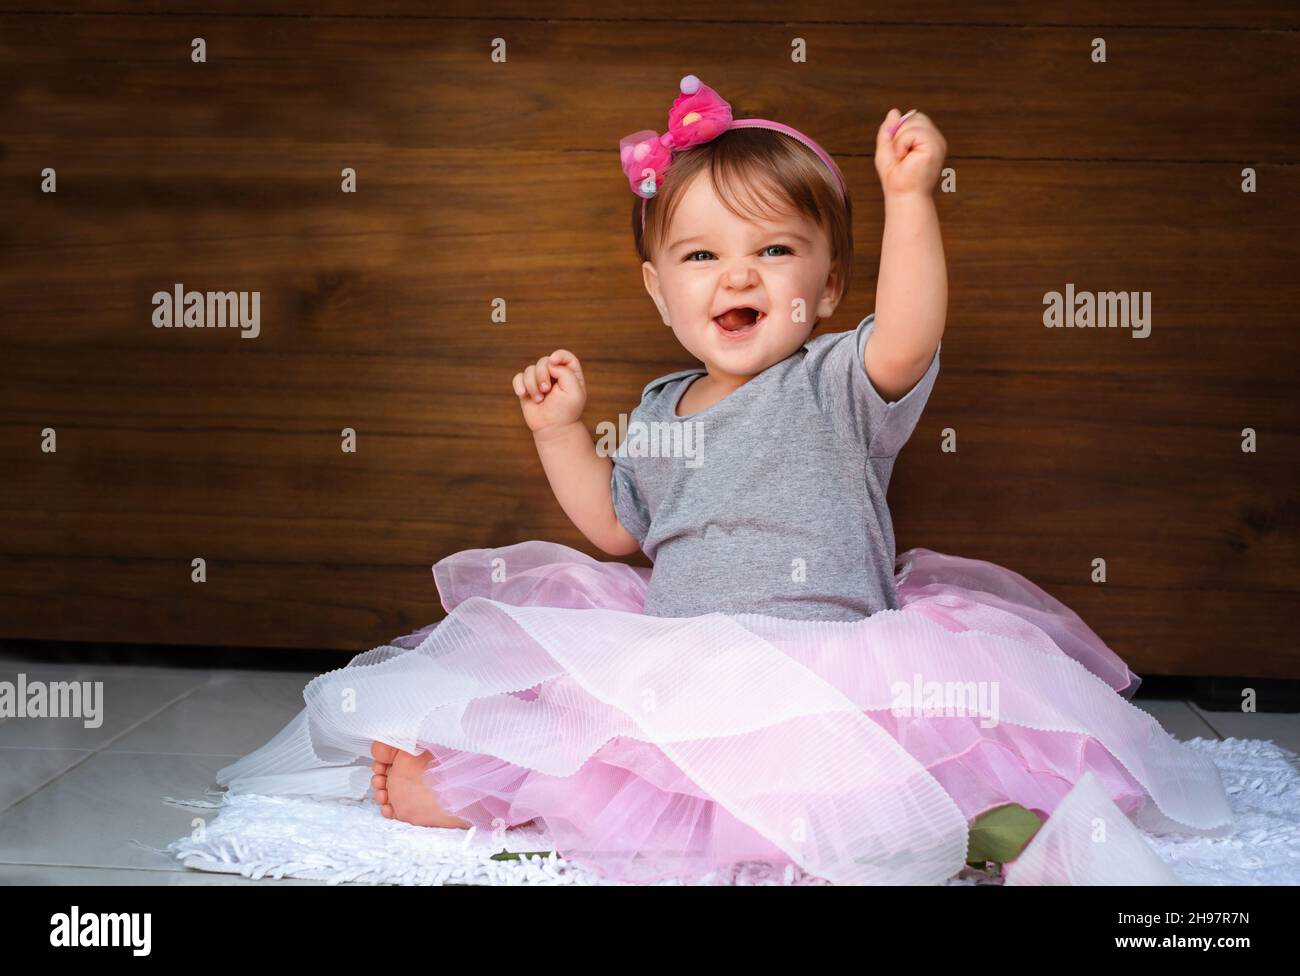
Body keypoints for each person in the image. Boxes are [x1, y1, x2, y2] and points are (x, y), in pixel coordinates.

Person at [213, 75, 1232, 885]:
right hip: (681, 659)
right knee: (611, 755)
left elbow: (913, 330)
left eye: (773, 250)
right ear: (660, 293)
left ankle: (983, 836)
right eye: (700, 255)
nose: (736, 276)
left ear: (826, 289)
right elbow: (618, 532)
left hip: (833, 661)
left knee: (869, 798)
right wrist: (562, 432)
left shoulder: (834, 379)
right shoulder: (658, 410)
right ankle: (494, 794)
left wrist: (910, 199)